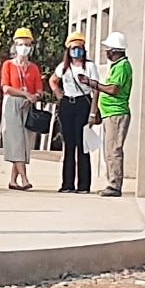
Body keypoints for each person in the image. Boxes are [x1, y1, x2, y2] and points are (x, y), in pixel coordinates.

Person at [77, 32, 133, 197]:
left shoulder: (122, 67)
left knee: (113, 149)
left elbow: (113, 89)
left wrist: (93, 83)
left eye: (108, 49)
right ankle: (112, 182)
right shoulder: (116, 66)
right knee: (109, 150)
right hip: (110, 113)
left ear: (115, 51)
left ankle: (114, 185)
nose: (106, 52)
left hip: (117, 113)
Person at [49, 31, 100, 193]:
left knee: (82, 145)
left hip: (83, 103)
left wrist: (93, 112)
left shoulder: (90, 66)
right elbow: (53, 80)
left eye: (79, 48)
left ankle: (84, 184)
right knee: (69, 145)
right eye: (73, 48)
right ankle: (67, 184)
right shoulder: (64, 67)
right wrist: (59, 94)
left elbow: (96, 90)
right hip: (67, 104)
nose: (76, 51)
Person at [0, 27, 43, 191]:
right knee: (15, 140)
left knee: (24, 142)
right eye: (21, 44)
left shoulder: (33, 68)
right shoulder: (8, 65)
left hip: (28, 106)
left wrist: (34, 97)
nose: (24, 48)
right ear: (15, 46)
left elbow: (39, 89)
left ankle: (13, 180)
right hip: (12, 103)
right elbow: (5, 87)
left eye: (27, 44)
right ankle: (24, 178)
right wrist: (25, 95)